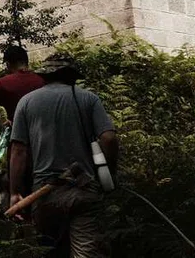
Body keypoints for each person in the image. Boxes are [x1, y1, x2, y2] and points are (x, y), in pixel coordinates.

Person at [8, 52, 120, 258]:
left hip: (43, 193)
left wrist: (15, 192)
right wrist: (109, 173)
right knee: (87, 253)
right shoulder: (88, 98)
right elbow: (109, 139)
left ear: (45, 76)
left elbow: (18, 150)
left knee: (50, 251)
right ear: (71, 75)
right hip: (83, 189)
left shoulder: (26, 102)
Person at [0, 44, 45, 132]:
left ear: (8, 64)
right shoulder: (43, 79)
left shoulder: (3, 83)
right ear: (27, 61)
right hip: (46, 132)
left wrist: (2, 127)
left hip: (20, 135)